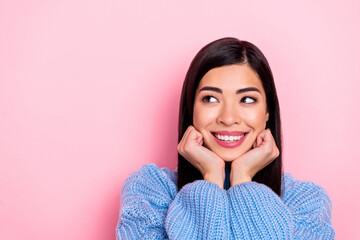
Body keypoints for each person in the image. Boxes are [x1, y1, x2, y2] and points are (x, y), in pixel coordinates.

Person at [116, 37, 335, 239]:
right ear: (191, 109)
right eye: (210, 98)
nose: (228, 118)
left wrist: (243, 178)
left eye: (247, 100)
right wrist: (211, 177)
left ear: (268, 111)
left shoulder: (307, 202)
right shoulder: (149, 190)